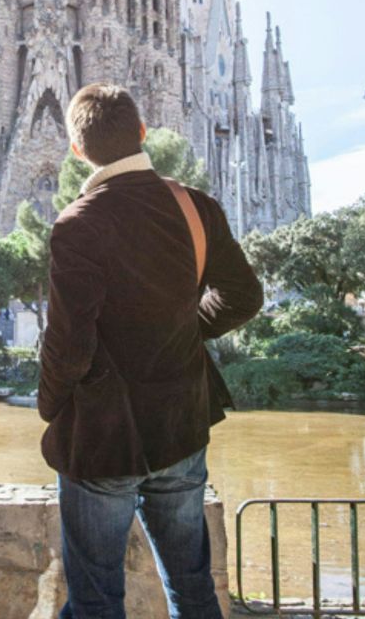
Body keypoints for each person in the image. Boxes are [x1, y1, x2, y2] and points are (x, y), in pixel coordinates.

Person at [38, 83, 263, 619]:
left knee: (96, 599)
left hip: (103, 439)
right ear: (143, 133)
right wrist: (186, 327)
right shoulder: (195, 206)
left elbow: (68, 343)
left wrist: (50, 406)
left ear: (77, 149)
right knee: (192, 585)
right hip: (182, 429)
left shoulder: (78, 223)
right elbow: (245, 296)